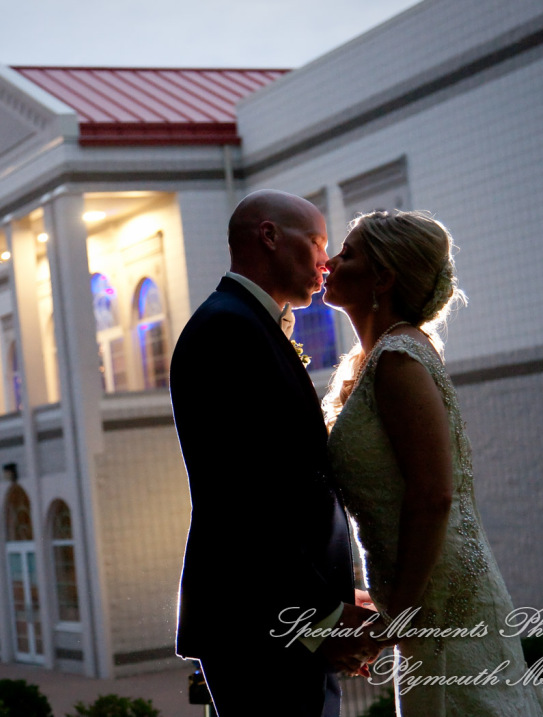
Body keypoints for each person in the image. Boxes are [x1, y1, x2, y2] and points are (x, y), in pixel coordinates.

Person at [321, 209, 543, 716]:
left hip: (443, 600)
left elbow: (433, 494)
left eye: (348, 253)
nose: (329, 262)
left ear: (383, 278)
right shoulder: (384, 356)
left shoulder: (399, 359)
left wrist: (400, 615)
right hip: (423, 597)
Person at [170, 190, 380, 717]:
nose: (325, 261)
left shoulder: (247, 324)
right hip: (262, 626)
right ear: (269, 236)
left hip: (279, 614)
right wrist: (320, 618)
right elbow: (245, 499)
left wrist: (334, 597)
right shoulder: (228, 329)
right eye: (316, 243)